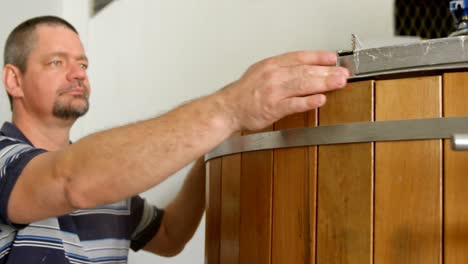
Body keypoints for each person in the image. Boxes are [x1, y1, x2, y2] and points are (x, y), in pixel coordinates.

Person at [0, 15, 349, 263]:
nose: (78, 74)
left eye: (83, 64)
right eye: (57, 62)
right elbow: (70, 181)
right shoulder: (7, 160)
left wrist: (211, 148)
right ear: (13, 80)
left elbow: (169, 236)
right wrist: (229, 108)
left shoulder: (109, 185)